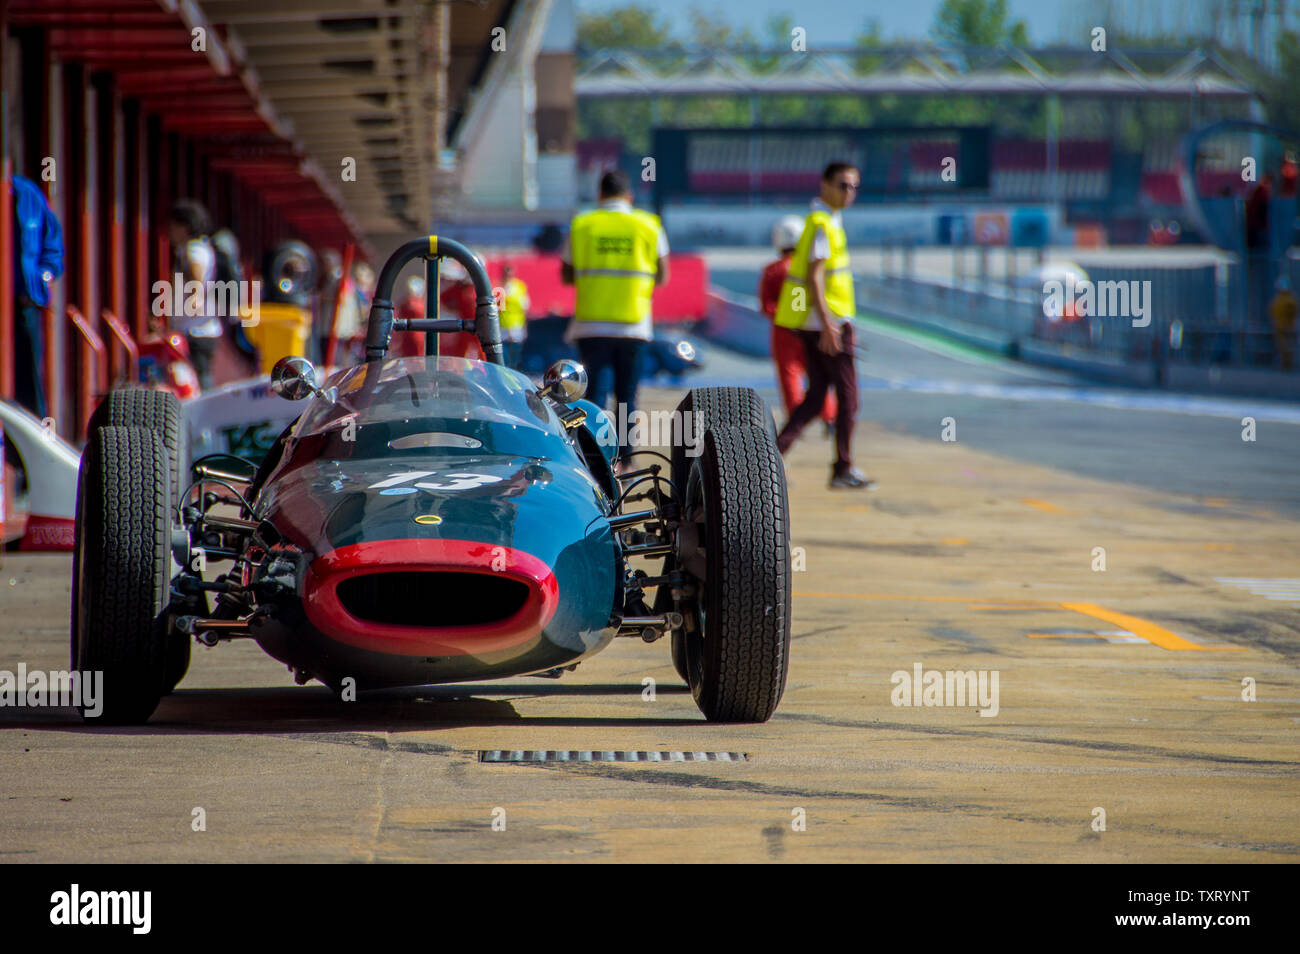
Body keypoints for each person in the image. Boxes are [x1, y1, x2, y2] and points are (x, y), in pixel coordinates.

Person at [773, 160, 874, 489]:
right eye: (843, 186)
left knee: (816, 397)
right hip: (829, 324)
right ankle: (843, 468)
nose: (850, 193)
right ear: (825, 186)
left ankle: (770, 457)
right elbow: (815, 277)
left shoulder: (827, 221)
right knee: (849, 398)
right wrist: (830, 326)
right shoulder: (821, 223)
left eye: (854, 187)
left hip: (819, 322)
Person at [561, 169, 669, 458]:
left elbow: (566, 274)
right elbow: (662, 275)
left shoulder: (582, 224)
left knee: (593, 396)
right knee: (627, 396)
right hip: (633, 325)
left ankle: (594, 458)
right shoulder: (649, 225)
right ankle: (627, 459)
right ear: (629, 196)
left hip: (590, 323)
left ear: (599, 195)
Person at [761, 214, 835, 434]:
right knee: (818, 375)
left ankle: (797, 420)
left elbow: (767, 305)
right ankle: (830, 416)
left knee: (790, 373)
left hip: (785, 330)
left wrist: (785, 317)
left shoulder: (774, 270)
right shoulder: (810, 268)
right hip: (811, 327)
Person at [11, 173, 64, 419]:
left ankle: (32, 434)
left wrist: (44, 275)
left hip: (24, 302)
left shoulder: (28, 193)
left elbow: (52, 244)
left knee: (30, 377)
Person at [165, 199, 221, 389]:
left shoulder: (192, 250)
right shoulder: (205, 249)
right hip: (203, 328)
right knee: (200, 377)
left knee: (198, 380)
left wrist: (196, 296)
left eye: (173, 226)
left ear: (184, 227)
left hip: (194, 329)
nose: (169, 231)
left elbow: (196, 272)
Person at [498, 263, 531, 369]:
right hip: (502, 325)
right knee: (504, 355)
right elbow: (497, 307)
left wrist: (525, 326)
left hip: (516, 325)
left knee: (516, 355)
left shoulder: (519, 287)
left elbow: (525, 306)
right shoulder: (499, 287)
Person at [1269, 276, 1297, 371]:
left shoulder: (1278, 300)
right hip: (1288, 326)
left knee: (1283, 347)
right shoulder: (1290, 300)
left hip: (1281, 326)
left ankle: (1285, 365)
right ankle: (1287, 365)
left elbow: (1272, 311)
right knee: (1288, 347)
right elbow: (1294, 312)